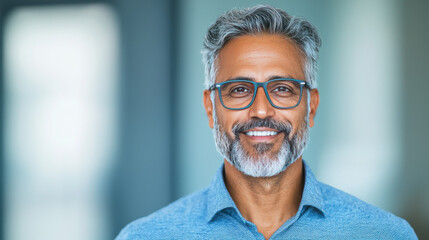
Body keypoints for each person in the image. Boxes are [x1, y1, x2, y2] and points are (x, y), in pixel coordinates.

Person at [116, 5, 417, 239]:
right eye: (239, 89)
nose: (261, 110)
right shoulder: (144, 237)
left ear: (311, 106)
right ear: (210, 108)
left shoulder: (386, 235)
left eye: (283, 89)